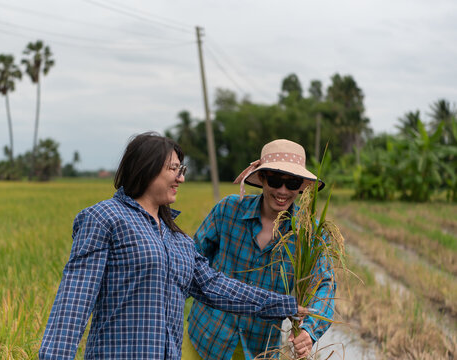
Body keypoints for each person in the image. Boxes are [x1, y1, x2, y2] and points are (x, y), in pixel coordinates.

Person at [39, 132, 309, 360]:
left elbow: (216, 287)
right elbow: (73, 303)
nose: (180, 178)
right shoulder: (106, 218)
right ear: (145, 169)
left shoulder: (177, 239)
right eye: (173, 169)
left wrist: (283, 305)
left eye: (182, 170)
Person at [184, 139, 335, 360]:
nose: (282, 191)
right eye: (275, 180)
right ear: (262, 178)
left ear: (301, 186)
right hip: (206, 336)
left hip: (259, 349)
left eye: (292, 183)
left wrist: (309, 330)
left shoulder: (309, 235)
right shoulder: (228, 211)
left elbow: (325, 285)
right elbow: (191, 261)